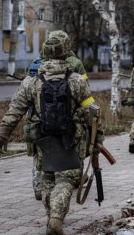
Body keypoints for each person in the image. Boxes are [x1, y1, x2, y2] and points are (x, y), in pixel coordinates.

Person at [0, 35, 100, 234]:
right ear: (66, 52)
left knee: (48, 179)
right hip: (70, 140)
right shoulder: (76, 81)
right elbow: (91, 113)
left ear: (43, 53)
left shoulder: (31, 82)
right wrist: (97, 138)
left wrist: (1, 137)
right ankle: (56, 220)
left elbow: (15, 111)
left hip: (42, 140)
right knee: (66, 180)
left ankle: (51, 218)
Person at [27, 30, 88, 201]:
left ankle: (39, 186)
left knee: (39, 154)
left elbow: (28, 90)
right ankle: (68, 180)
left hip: (38, 120)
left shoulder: (35, 63)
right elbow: (84, 90)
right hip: (67, 121)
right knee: (70, 151)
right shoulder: (75, 62)